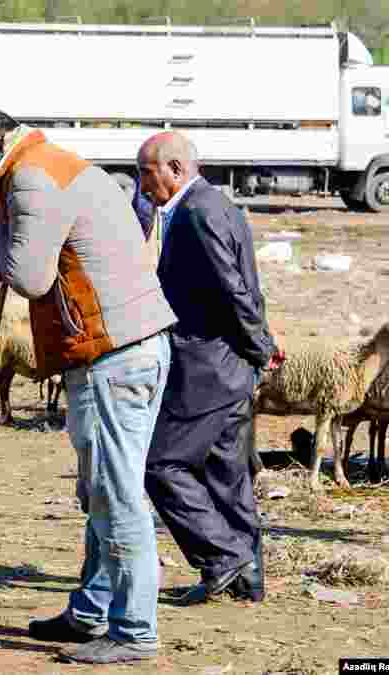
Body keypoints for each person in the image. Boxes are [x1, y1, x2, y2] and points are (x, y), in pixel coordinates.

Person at [0, 108, 177, 665]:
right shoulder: (57, 166)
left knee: (115, 492)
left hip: (111, 354)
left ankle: (133, 631)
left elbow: (28, 275)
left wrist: (3, 230)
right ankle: (91, 610)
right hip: (133, 347)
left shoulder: (30, 178)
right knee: (104, 487)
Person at [137, 131, 283, 607]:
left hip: (208, 368)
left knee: (160, 465)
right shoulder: (214, 204)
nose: (141, 184)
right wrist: (257, 348)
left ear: (174, 169)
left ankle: (223, 558)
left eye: (145, 171)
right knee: (228, 476)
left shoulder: (197, 212)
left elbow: (232, 289)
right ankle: (247, 580)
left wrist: (261, 346)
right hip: (230, 366)